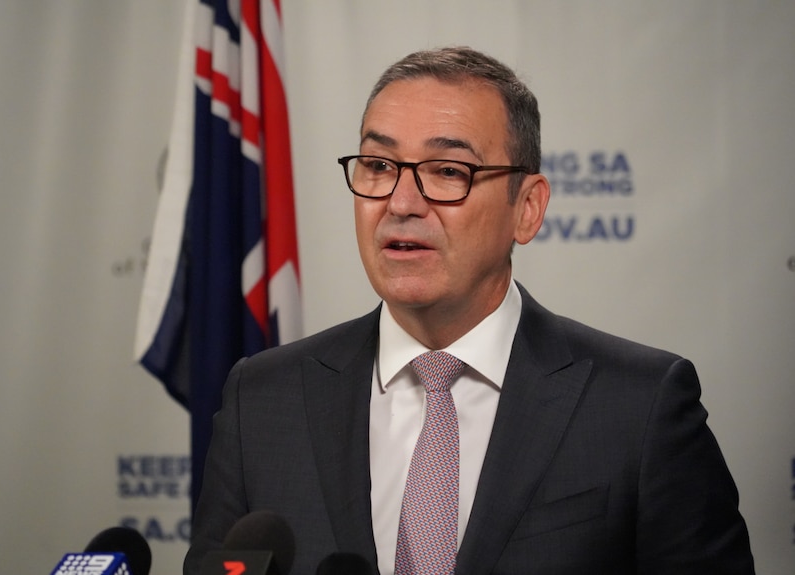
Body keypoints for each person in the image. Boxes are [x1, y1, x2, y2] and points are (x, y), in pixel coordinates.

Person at [184, 46, 754, 575]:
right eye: (379, 166)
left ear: (527, 209)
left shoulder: (640, 406)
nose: (401, 204)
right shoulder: (261, 401)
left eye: (448, 173)